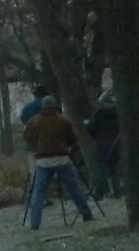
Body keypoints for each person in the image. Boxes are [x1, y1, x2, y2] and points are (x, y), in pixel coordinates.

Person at [20, 95, 97, 229]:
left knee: (38, 193)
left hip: (43, 161)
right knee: (75, 189)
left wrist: (37, 146)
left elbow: (27, 137)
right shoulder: (63, 120)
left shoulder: (34, 121)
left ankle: (35, 223)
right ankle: (86, 214)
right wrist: (68, 147)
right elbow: (73, 139)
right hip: (62, 159)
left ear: (42, 107)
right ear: (55, 106)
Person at [83, 90, 123, 199]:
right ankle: (118, 191)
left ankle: (102, 192)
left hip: (102, 146)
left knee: (101, 170)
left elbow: (90, 128)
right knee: (114, 170)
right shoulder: (118, 114)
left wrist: (95, 136)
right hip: (116, 145)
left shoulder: (98, 114)